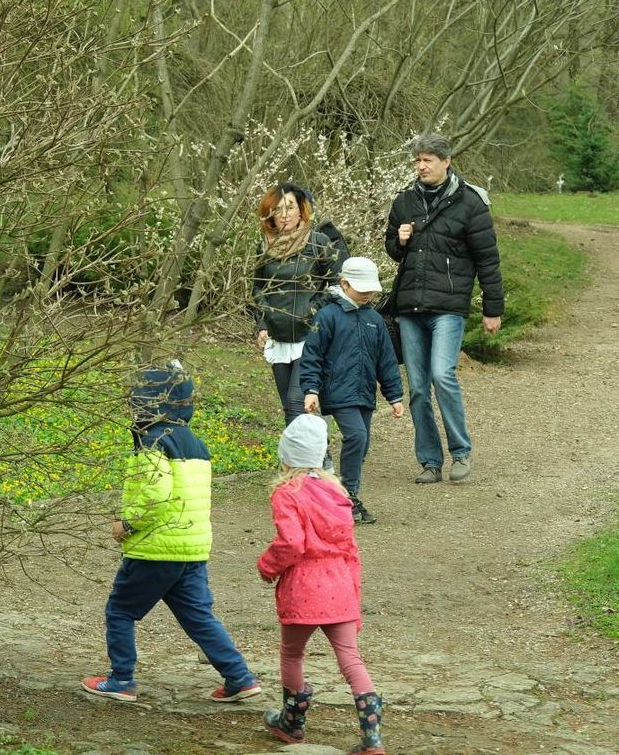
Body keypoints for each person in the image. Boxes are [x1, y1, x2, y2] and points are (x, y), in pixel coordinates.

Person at [82, 362, 262, 703]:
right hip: (191, 549)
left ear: (146, 401)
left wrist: (127, 524)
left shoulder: (152, 441)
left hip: (155, 549)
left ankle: (121, 679)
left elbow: (155, 496)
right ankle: (239, 677)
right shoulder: (196, 443)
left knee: (120, 611)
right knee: (199, 618)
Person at [258, 414, 385, 755]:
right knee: (350, 659)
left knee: (292, 653)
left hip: (304, 587)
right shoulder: (337, 492)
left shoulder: (287, 493)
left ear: (286, 456)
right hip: (340, 583)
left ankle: (292, 723)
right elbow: (350, 549)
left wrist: (267, 565)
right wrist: (354, 593)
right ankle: (373, 738)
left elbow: (292, 542)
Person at [384, 133, 503, 485]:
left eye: (428, 160)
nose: (421, 166)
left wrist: (492, 309)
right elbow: (392, 249)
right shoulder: (404, 202)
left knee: (442, 375)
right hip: (409, 307)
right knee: (418, 388)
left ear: (446, 161)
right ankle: (430, 461)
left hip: (449, 307)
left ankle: (461, 452)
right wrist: (399, 240)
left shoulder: (471, 203)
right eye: (417, 160)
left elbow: (488, 260)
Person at [300, 256, 405, 524]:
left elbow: (386, 361)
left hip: (365, 393)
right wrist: (311, 389)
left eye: (371, 290)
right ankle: (347, 495)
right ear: (344, 284)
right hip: (337, 391)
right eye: (362, 289)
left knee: (363, 442)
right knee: (356, 436)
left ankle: (346, 494)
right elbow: (312, 355)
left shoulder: (374, 320)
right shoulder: (328, 316)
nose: (368, 295)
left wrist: (394, 395)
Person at [251, 183, 341, 428]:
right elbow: (257, 288)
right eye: (278, 209)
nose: (285, 214)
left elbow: (336, 285)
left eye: (290, 207)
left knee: (296, 402)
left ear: (302, 210)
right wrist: (262, 323)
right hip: (278, 335)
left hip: (309, 335)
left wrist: (313, 310)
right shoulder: (263, 247)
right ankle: (317, 458)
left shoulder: (317, 242)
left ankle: (307, 462)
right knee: (288, 405)